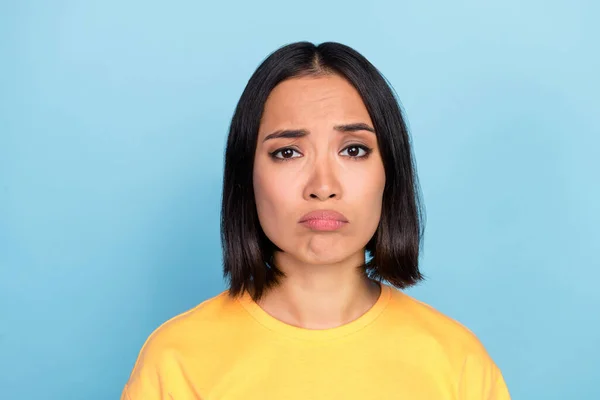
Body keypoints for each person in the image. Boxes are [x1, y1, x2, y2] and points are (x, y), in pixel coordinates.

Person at [120, 41, 511, 399]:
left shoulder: (458, 362)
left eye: (354, 150)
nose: (323, 186)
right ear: (247, 176)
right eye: (288, 152)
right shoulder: (175, 360)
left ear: (390, 173)